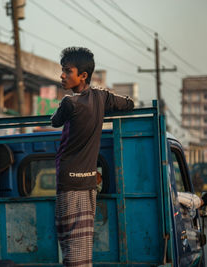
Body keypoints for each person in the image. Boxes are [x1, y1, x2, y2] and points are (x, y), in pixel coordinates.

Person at [51, 47, 134, 267]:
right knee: (80, 250)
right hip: (88, 186)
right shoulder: (101, 97)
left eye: (68, 71)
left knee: (72, 253)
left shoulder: (70, 103)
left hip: (69, 184)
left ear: (83, 75)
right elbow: (128, 103)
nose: (62, 75)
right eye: (62, 70)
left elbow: (54, 121)